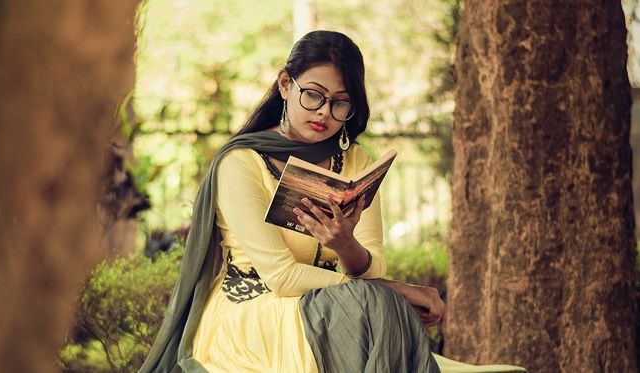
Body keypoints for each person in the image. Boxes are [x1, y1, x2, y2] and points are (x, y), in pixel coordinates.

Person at [140, 30, 525, 373]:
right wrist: (395, 289)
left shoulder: (355, 162)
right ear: (285, 84)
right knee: (376, 303)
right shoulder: (242, 162)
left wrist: (345, 244)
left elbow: (370, 264)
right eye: (313, 95)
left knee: (371, 305)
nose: (325, 112)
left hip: (335, 312)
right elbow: (282, 277)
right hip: (256, 315)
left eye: (341, 102)